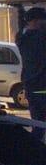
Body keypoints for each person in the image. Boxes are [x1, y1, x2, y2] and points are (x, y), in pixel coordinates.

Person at [20, 7, 46, 139]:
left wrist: (20, 8)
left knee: (38, 125)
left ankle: (34, 151)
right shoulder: (39, 38)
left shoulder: (21, 38)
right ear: (36, 22)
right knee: (40, 125)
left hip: (31, 87)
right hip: (42, 87)